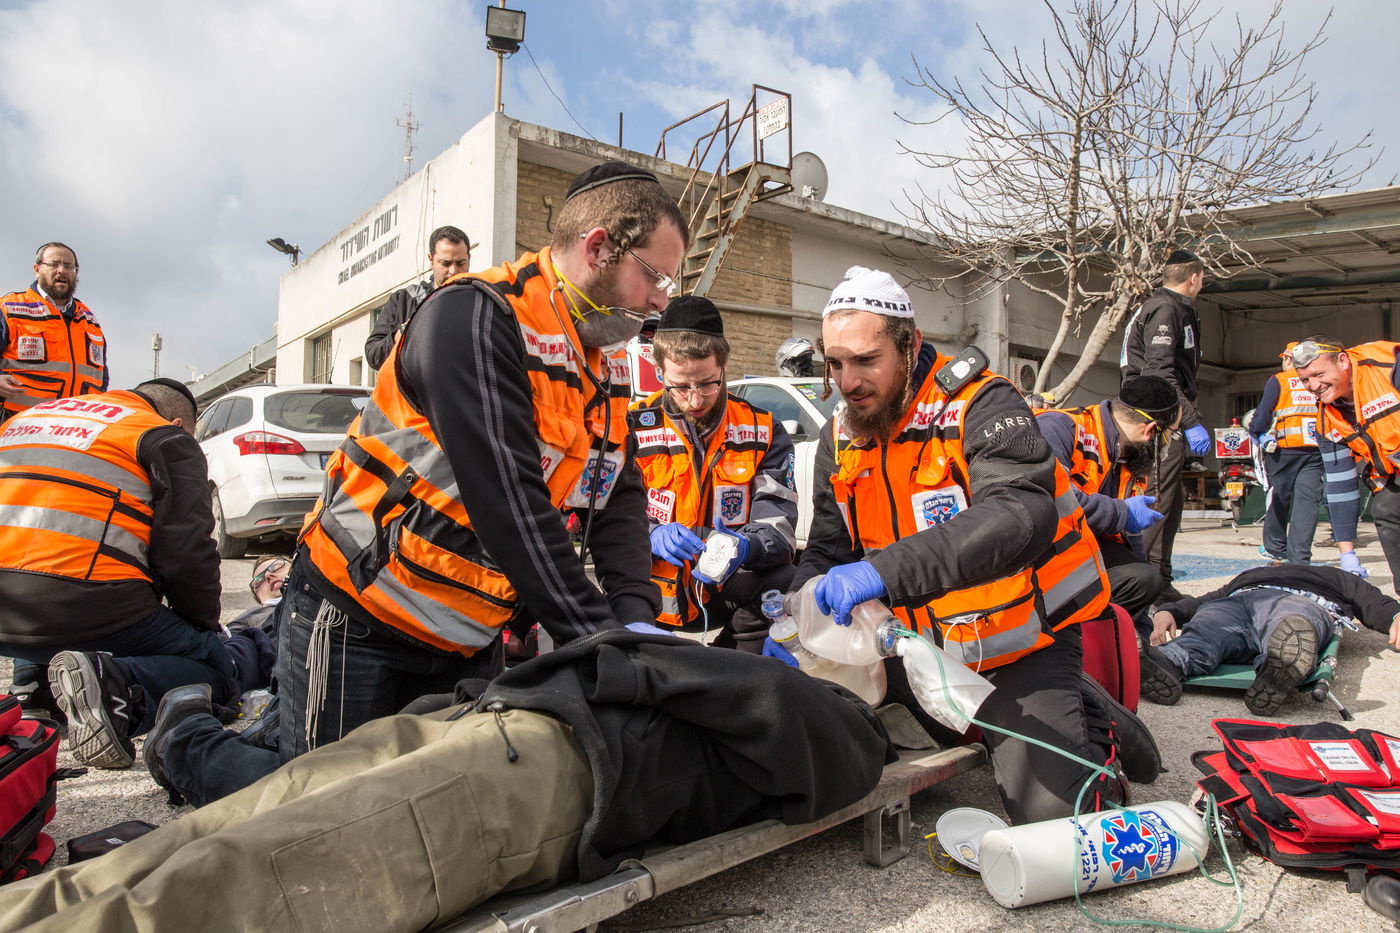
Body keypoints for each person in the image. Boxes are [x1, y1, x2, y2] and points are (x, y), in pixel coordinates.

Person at [144, 161, 685, 805]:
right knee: (319, 808)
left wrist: (635, 615)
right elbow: (506, 498)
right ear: (598, 247)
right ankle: (183, 739)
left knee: (431, 805)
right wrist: (601, 643)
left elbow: (617, 495)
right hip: (360, 614)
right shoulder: (477, 316)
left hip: (465, 636)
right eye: (654, 276)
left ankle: (273, 725)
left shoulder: (606, 368)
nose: (660, 300)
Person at [1, 632, 894, 933]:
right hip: (492, 723)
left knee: (242, 876)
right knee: (203, 834)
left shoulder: (847, 728)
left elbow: (779, 701)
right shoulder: (770, 688)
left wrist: (629, 660)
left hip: (540, 776)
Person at [791, 265, 1131, 825]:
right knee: (822, 744)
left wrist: (881, 572)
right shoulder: (840, 435)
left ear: (910, 345)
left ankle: (1086, 720)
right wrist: (796, 610)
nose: (848, 381)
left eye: (866, 360)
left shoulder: (983, 403)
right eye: (835, 363)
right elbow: (828, 546)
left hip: (1021, 649)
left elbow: (1018, 515)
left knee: (1057, 824)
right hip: (917, 649)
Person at [0, 379, 236, 769]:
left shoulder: (26, 419)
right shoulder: (161, 437)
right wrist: (201, 627)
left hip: (9, 612)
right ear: (179, 423)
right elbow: (186, 553)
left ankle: (35, 692)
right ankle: (119, 689)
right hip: (79, 600)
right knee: (216, 667)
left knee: (42, 572)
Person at [629, 296, 798, 652]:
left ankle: (733, 666)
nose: (694, 400)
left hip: (722, 588)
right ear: (659, 372)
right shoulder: (630, 427)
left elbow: (779, 530)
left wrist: (744, 544)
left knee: (786, 580)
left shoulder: (763, 430)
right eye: (679, 386)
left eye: (708, 383)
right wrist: (651, 533)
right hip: (653, 590)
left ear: (724, 365)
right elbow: (601, 519)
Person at [1139, 564, 1400, 715]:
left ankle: (1277, 668)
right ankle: (1168, 662)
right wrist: (1169, 611)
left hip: (1299, 601)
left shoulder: (1336, 577)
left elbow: (1374, 603)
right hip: (1238, 600)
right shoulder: (1250, 575)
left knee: (1288, 626)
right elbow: (1205, 600)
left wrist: (1395, 616)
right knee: (1206, 626)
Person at [1035, 375, 1180, 623]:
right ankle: (1064, 634)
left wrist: (1140, 620)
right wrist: (1121, 513)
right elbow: (1049, 499)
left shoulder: (1132, 463)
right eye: (1171, 435)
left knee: (1145, 579)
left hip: (1078, 549)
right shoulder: (1059, 428)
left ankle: (1114, 639)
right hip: (1039, 556)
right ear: (1152, 430)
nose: (1168, 445)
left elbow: (1130, 547)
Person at [1120, 249, 1209, 601]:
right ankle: (1148, 587)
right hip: (1154, 417)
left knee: (1172, 500)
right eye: (1202, 277)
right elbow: (1159, 373)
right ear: (1194, 278)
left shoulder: (1169, 308)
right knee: (1157, 500)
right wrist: (1190, 420)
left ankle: (1162, 581)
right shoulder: (1166, 309)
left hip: (1162, 414)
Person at [1289, 336, 1392, 584]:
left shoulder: (1389, 369)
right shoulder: (1328, 422)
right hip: (1394, 473)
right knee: (1387, 508)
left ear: (1343, 360)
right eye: (1305, 380)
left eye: (1319, 374)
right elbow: (1340, 485)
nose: (1313, 385)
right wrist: (1348, 553)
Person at [0, 243, 108, 420]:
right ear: (37, 269)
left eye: (68, 266)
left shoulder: (89, 321)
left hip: (73, 429)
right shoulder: (9, 309)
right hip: (16, 425)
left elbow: (101, 379)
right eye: (54, 264)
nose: (61, 270)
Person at [1249, 344, 1325, 564]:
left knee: (1278, 496)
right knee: (1308, 502)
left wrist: (1256, 431)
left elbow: (1263, 414)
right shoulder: (1318, 380)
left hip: (1283, 449)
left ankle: (1275, 547)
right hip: (1315, 449)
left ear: (1289, 360)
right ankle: (1300, 557)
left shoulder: (1280, 380)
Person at [363, 225, 476, 369]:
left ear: (469, 258)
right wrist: (406, 332)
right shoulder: (403, 300)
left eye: (461, 263)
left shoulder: (481, 302)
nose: (453, 271)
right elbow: (373, 355)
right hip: (413, 391)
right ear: (431, 259)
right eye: (446, 263)